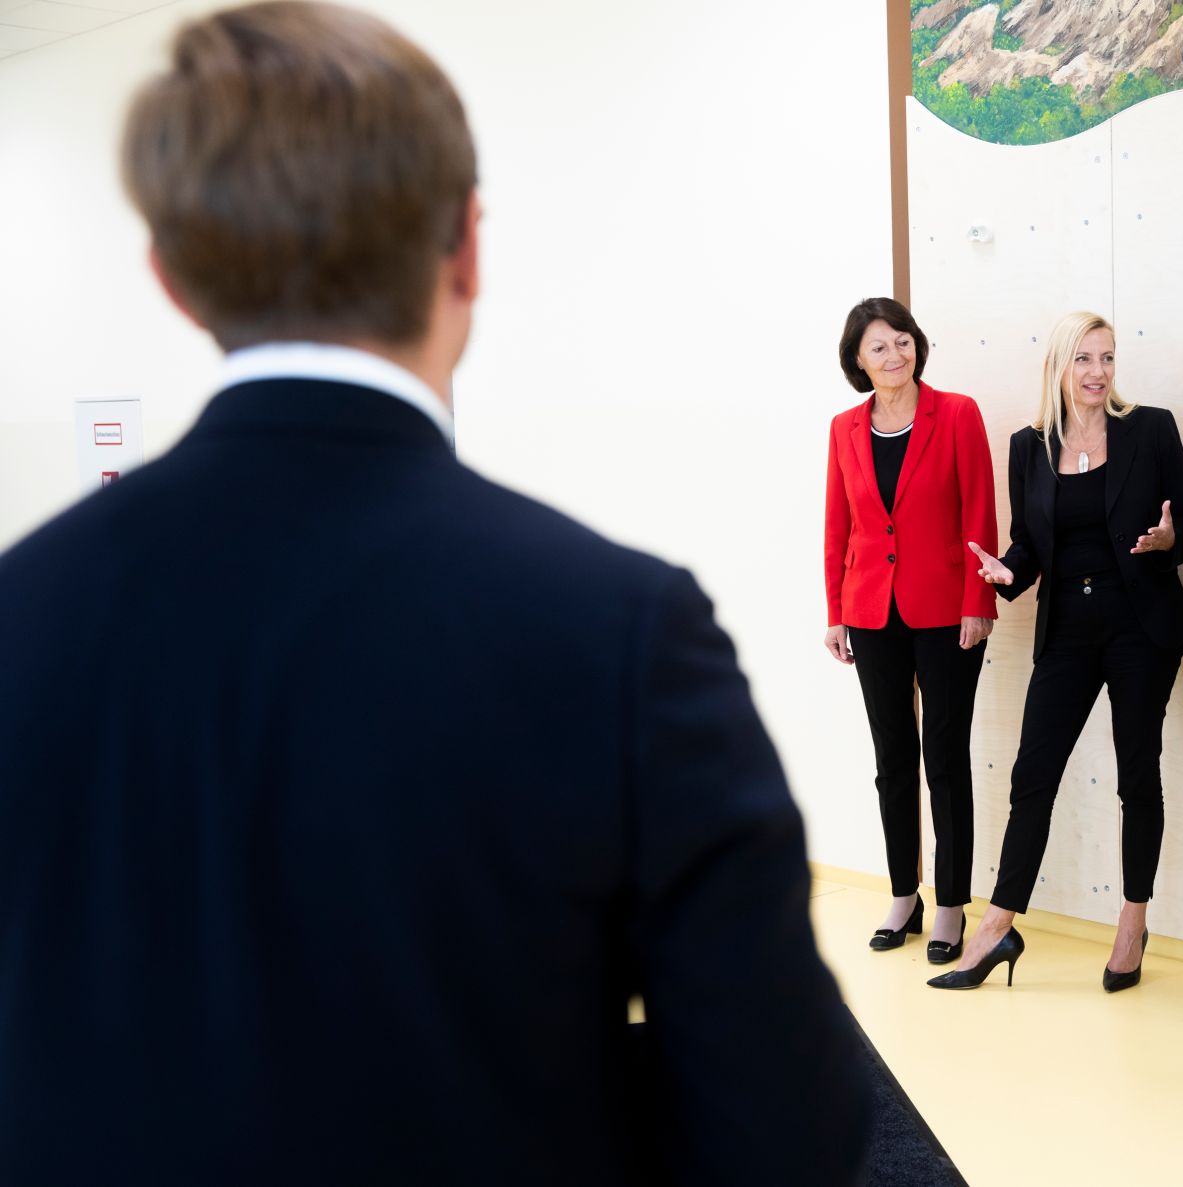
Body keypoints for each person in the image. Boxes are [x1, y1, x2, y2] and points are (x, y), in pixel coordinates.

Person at [0, 5, 868, 1183]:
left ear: (171, 276)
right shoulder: (621, 631)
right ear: (466, 244)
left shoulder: (24, 612)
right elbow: (786, 1127)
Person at [932, 311, 1183, 992]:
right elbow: (1029, 544)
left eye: (1107, 357)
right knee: (1033, 775)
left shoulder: (1151, 428)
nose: (1097, 372)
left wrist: (1168, 541)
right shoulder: (1028, 445)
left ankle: (1133, 921)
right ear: (1058, 365)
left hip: (1140, 626)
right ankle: (996, 925)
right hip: (1067, 632)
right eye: (1083, 358)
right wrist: (1005, 572)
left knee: (1137, 773)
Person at [824, 297, 998, 961]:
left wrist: (978, 600)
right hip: (871, 611)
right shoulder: (844, 428)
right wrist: (836, 610)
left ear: (917, 345)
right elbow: (838, 522)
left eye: (902, 341)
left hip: (947, 610)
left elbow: (979, 508)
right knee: (891, 760)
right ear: (857, 361)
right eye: (878, 347)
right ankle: (905, 893)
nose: (894, 356)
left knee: (944, 759)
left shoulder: (956, 413)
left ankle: (951, 902)